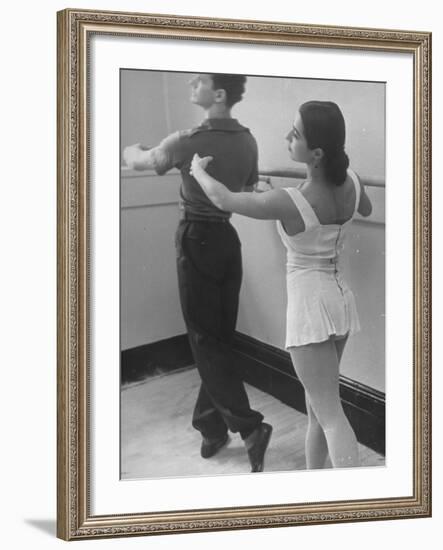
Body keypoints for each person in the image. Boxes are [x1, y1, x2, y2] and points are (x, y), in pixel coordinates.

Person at [190, 100, 373, 469]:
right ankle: (314, 485)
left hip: (310, 309)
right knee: (317, 408)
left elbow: (223, 197)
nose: (288, 137)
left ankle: (352, 504)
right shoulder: (351, 181)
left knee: (331, 415)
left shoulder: (289, 201)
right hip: (338, 302)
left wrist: (197, 170)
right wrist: (271, 195)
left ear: (316, 152)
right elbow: (364, 209)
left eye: (296, 133)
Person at [123, 74, 272, 473]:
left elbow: (143, 160)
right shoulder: (249, 140)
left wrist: (127, 148)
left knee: (205, 340)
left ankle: (250, 427)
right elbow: (250, 185)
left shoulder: (187, 139)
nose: (192, 83)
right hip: (228, 240)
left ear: (218, 95)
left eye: (200, 80)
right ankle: (210, 426)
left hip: (195, 240)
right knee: (218, 338)